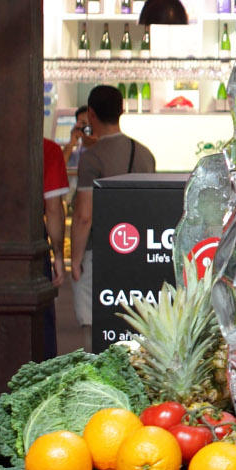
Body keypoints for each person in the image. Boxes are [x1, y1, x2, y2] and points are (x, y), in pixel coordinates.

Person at [69, 85, 156, 330]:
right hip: (137, 252)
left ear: (92, 114)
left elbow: (84, 216)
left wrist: (75, 260)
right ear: (122, 110)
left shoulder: (92, 157)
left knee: (95, 329)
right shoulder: (144, 154)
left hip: (99, 251)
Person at [42, 136, 69, 357]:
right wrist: (57, 255)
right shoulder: (47, 149)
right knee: (40, 320)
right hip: (29, 238)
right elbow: (53, 209)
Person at [63, 106, 90, 171]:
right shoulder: (76, 152)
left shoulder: (101, 150)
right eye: (78, 123)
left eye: (84, 123)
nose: (79, 126)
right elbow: (58, 168)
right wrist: (71, 143)